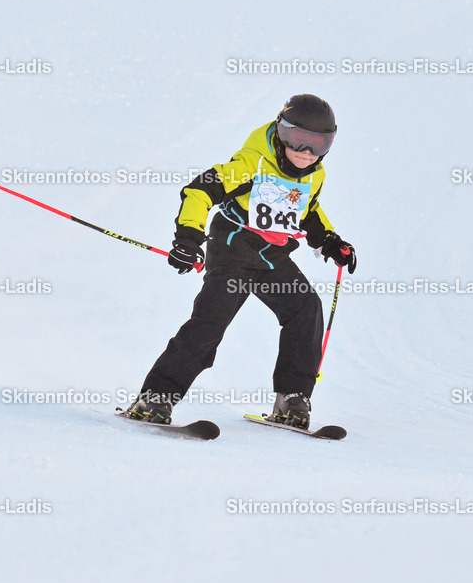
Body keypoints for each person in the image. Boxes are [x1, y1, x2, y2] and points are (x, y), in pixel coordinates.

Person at [125, 94, 357, 429]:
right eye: (299, 141)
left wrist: (331, 241)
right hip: (234, 250)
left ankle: (292, 400)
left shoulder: (314, 175)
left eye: (319, 144)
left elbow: (307, 211)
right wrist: (188, 239)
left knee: (306, 310)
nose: (307, 153)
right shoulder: (252, 164)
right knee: (210, 323)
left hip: (272, 257)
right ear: (281, 132)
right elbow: (199, 191)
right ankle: (155, 398)